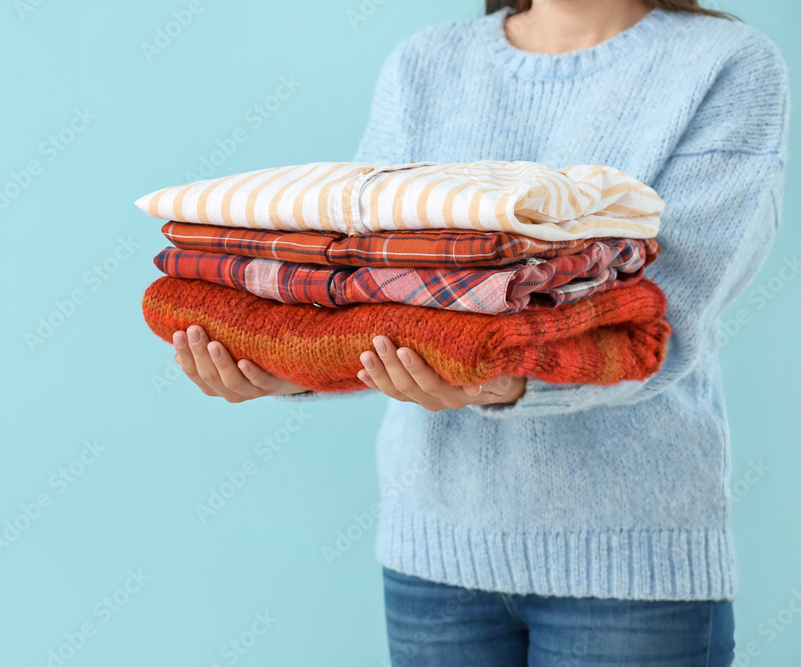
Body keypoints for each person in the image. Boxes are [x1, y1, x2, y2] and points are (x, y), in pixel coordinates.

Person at [166, 0, 790, 664]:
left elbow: (664, 315)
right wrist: (287, 363)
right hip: (433, 555)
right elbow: (358, 279)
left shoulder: (727, 64)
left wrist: (504, 378)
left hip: (632, 565)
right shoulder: (425, 62)